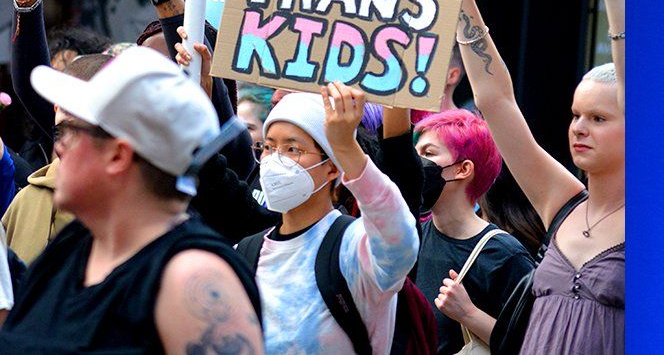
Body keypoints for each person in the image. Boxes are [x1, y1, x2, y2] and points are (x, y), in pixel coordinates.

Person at [0, 46, 263, 353]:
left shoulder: (192, 278)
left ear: (118, 155)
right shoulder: (72, 247)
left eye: (69, 131)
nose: (59, 146)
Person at [451, 0, 624, 353]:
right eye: (576, 115)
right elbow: (495, 101)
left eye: (598, 118)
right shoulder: (562, 202)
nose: (579, 127)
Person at [244, 86, 419, 353]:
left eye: (292, 149)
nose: (274, 160)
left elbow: (401, 243)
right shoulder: (246, 252)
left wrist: (346, 148)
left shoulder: (355, 248)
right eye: (268, 147)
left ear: (332, 167)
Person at [411, 110, 533, 353]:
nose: (415, 163)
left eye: (428, 153)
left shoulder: (504, 256)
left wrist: (468, 314)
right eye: (415, 154)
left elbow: (534, 344)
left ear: (463, 169)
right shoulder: (414, 237)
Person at [2, 53, 111, 264]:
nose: (69, 115)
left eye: (81, 107)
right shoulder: (27, 200)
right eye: (64, 105)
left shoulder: (129, 207)